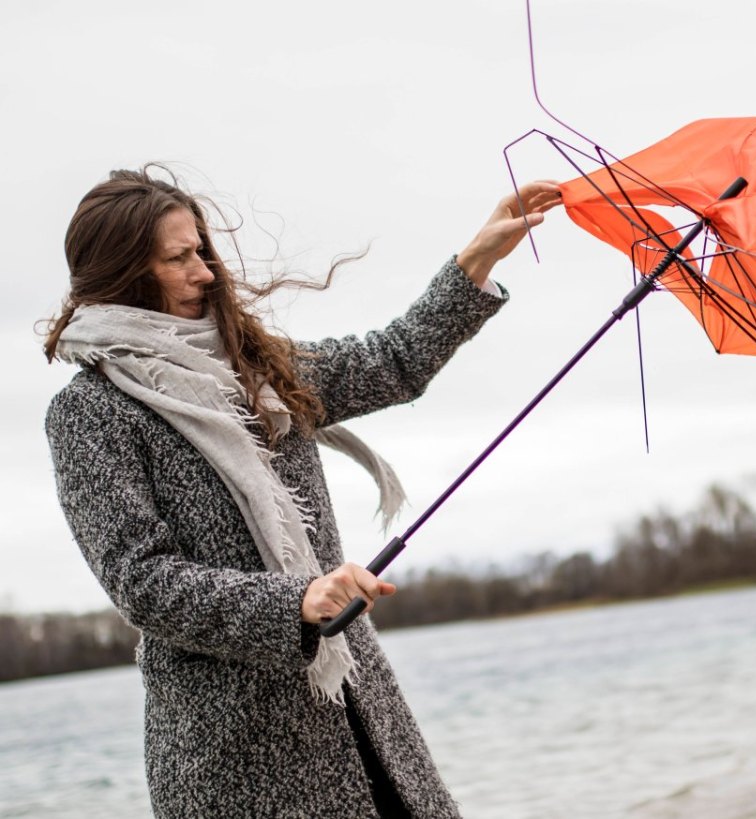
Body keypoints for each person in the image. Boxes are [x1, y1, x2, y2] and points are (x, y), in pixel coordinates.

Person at [42, 166, 560, 818]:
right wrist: (297, 601)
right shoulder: (91, 412)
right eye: (179, 258)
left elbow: (392, 359)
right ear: (121, 276)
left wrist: (476, 257)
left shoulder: (257, 366)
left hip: (361, 715)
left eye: (201, 250)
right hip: (233, 758)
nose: (204, 271)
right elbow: (143, 583)